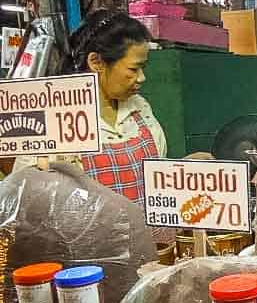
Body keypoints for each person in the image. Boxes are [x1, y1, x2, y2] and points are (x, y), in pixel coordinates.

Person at [9, 10, 167, 204]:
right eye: (133, 69)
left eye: (143, 68)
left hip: (151, 234)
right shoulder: (55, 122)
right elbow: (24, 199)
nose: (142, 77)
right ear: (96, 62)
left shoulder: (139, 108)